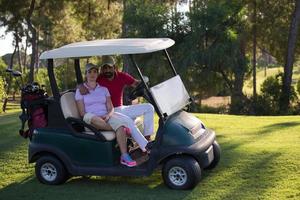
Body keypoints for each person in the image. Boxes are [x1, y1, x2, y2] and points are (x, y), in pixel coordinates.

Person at [75, 63, 148, 167]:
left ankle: (124, 156)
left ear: (98, 74)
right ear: (85, 74)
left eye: (95, 72)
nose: (92, 74)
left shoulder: (103, 89)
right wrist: (99, 117)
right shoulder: (80, 91)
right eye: (89, 72)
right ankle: (121, 128)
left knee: (120, 126)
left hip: (105, 117)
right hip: (90, 119)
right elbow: (82, 113)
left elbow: (111, 108)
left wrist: (108, 115)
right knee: (117, 126)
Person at [97, 55, 154, 141]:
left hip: (121, 109)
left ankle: (147, 138)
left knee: (149, 107)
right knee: (130, 121)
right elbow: (87, 85)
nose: (107, 70)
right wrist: (81, 87)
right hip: (110, 112)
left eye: (109, 67)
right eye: (105, 68)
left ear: (114, 67)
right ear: (102, 69)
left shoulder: (121, 76)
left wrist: (144, 82)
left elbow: (135, 83)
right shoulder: (99, 79)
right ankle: (145, 145)